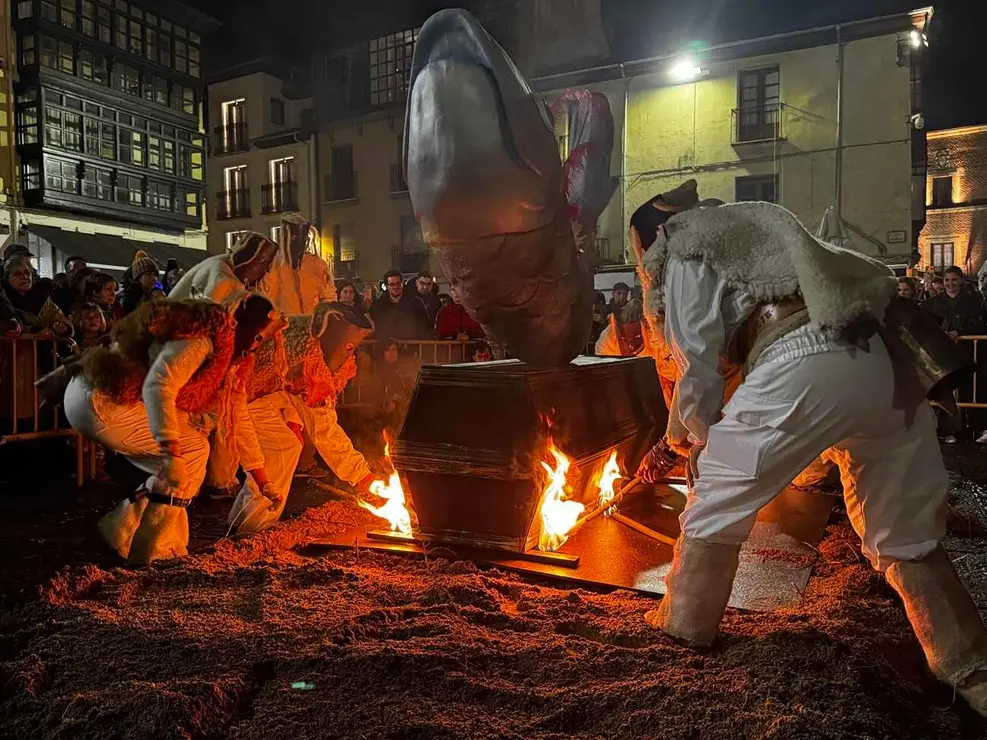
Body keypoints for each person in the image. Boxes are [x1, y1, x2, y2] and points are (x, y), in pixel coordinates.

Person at [634, 197, 987, 716]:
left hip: (801, 357)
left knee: (714, 500)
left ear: (651, 241)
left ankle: (682, 628)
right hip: (880, 363)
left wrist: (692, 443)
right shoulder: (750, 234)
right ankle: (967, 665)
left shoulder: (686, 249)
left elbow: (699, 368)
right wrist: (679, 438)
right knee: (903, 531)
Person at [57, 295, 281, 564]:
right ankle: (151, 548)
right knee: (192, 450)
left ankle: (120, 530)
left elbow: (238, 418)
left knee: (182, 462)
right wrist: (171, 449)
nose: (257, 346)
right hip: (101, 400)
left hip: (100, 399)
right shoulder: (202, 339)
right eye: (258, 337)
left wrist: (262, 478)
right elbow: (158, 386)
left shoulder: (233, 360)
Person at [229, 302, 375, 534]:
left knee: (285, 447)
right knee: (277, 453)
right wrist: (362, 477)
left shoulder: (307, 342)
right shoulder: (307, 360)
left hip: (259, 395)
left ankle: (243, 521)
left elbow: (302, 401)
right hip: (237, 393)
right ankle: (252, 530)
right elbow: (322, 426)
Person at [169, 232, 279, 305]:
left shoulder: (223, 264)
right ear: (252, 262)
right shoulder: (220, 276)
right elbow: (214, 317)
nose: (266, 272)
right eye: (266, 266)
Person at [259, 213, 336, 314]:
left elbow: (328, 298)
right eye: (293, 238)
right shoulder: (270, 265)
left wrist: (323, 318)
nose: (298, 244)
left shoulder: (317, 265)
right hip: (281, 325)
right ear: (283, 236)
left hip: (310, 324)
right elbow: (263, 299)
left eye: (303, 238)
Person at [1, 255, 71, 336]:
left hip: (47, 348)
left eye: (27, 273)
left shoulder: (43, 299)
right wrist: (36, 331)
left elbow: (60, 318)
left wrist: (62, 326)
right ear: (7, 278)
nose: (24, 277)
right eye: (17, 274)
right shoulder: (3, 300)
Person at [922, 266, 987, 338]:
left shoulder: (974, 301)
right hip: (940, 345)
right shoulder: (932, 303)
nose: (950, 283)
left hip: (966, 346)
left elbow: (978, 323)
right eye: (947, 280)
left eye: (954, 280)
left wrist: (959, 332)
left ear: (961, 280)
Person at [369, 270, 432, 339]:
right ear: (386, 286)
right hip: (386, 347)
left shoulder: (416, 303)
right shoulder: (378, 305)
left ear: (402, 283)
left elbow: (426, 327)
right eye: (392, 284)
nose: (395, 287)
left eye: (398, 283)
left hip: (411, 346)